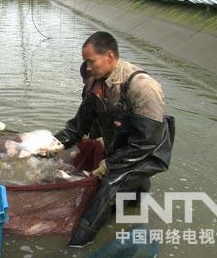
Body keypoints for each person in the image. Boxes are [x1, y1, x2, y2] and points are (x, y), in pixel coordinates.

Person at [55, 31, 175, 247]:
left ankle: (77, 244)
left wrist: (108, 165)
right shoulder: (95, 84)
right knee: (126, 183)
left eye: (90, 61)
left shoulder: (142, 86)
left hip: (148, 153)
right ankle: (136, 203)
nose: (88, 67)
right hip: (120, 148)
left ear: (109, 56)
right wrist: (52, 144)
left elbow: (147, 142)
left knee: (109, 185)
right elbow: (77, 126)